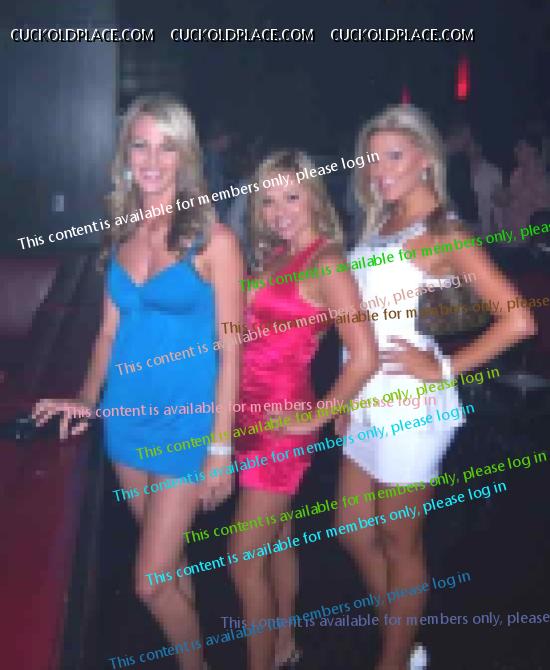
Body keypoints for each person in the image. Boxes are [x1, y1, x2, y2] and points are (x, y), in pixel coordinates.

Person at [33, 94, 243, 670]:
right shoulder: (121, 233)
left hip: (186, 424)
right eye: (140, 145)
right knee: (169, 568)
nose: (152, 160)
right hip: (125, 420)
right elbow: (107, 335)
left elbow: (231, 350)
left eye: (165, 147)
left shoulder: (216, 242)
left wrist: (220, 449)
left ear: (186, 156)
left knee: (149, 582)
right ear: (125, 155)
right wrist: (85, 398)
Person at [336, 104, 536, 670]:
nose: (379, 170)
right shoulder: (383, 221)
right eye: (373, 159)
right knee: (351, 529)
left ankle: (395, 658)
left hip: (411, 403)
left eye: (394, 156)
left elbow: (519, 320)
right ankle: (404, 638)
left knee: (400, 542)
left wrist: (443, 368)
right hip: (366, 396)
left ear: (426, 159)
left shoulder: (442, 232)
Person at [229, 150, 378, 670]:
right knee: (277, 539)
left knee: (242, 561)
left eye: (291, 197)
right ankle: (284, 643)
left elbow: (364, 354)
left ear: (314, 197)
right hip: (249, 414)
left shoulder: (326, 261)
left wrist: (316, 416)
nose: (279, 211)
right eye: (268, 201)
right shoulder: (275, 255)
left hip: (281, 425)